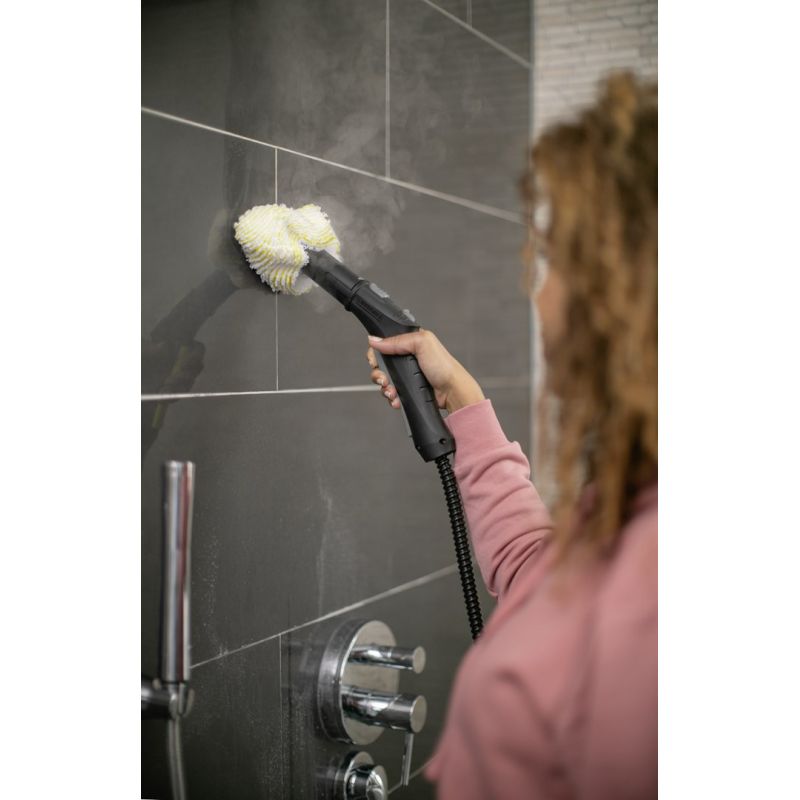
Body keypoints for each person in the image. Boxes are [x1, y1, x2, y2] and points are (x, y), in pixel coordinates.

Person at [366, 72, 657, 800]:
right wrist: (462, 403)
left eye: (557, 259)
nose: (539, 290)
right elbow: (539, 572)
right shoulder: (640, 506)